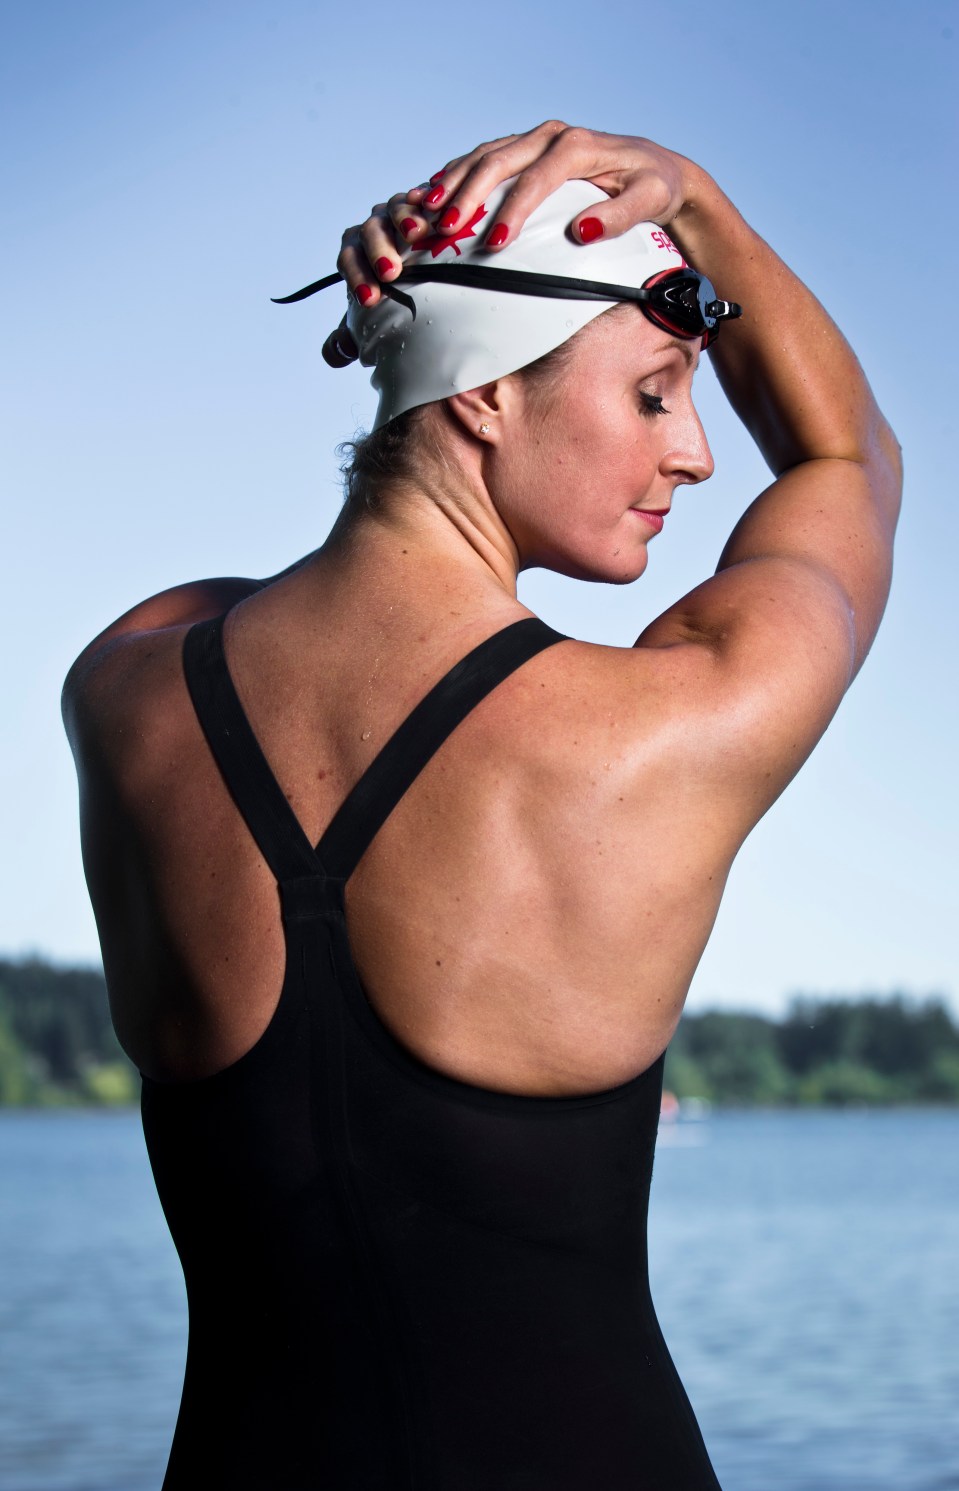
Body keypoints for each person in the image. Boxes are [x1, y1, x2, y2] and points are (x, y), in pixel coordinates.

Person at [62, 122, 901, 1489]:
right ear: (488, 395)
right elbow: (842, 461)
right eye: (654, 393)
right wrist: (696, 199)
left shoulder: (123, 687)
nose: (696, 453)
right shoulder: (671, 726)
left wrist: (409, 304)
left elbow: (270, 606)